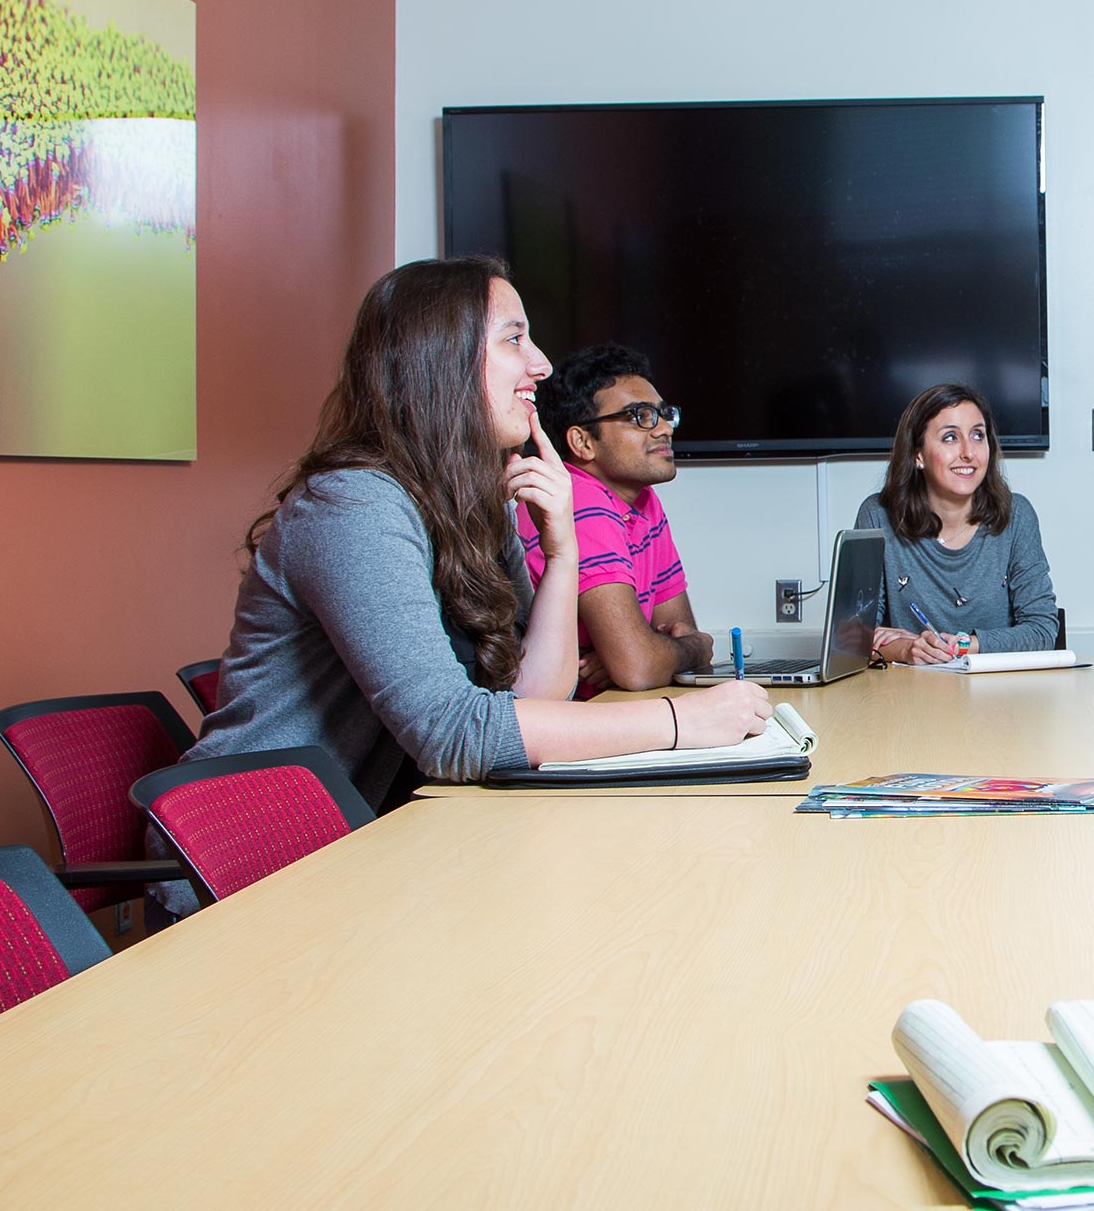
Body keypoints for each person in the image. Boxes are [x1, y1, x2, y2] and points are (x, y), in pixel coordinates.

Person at [188, 257, 772, 813]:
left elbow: (534, 700)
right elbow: (451, 731)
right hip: (258, 855)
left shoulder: (471, 505)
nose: (541, 365)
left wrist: (562, 549)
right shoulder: (353, 505)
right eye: (514, 339)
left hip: (376, 834)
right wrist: (679, 722)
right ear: (440, 362)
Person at [519, 344, 713, 696]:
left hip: (613, 709)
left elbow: (672, 633)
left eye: (663, 413)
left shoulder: (642, 500)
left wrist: (651, 652)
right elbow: (640, 667)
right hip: (565, 726)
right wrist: (696, 647)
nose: (664, 429)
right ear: (582, 442)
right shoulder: (577, 498)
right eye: (640, 416)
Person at [852, 383, 1060, 663]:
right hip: (909, 695)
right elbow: (855, 635)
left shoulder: (1016, 514)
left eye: (977, 435)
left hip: (999, 696)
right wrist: (906, 649)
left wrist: (963, 645)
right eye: (950, 438)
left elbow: (1042, 631)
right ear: (918, 454)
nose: (968, 452)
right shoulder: (878, 515)